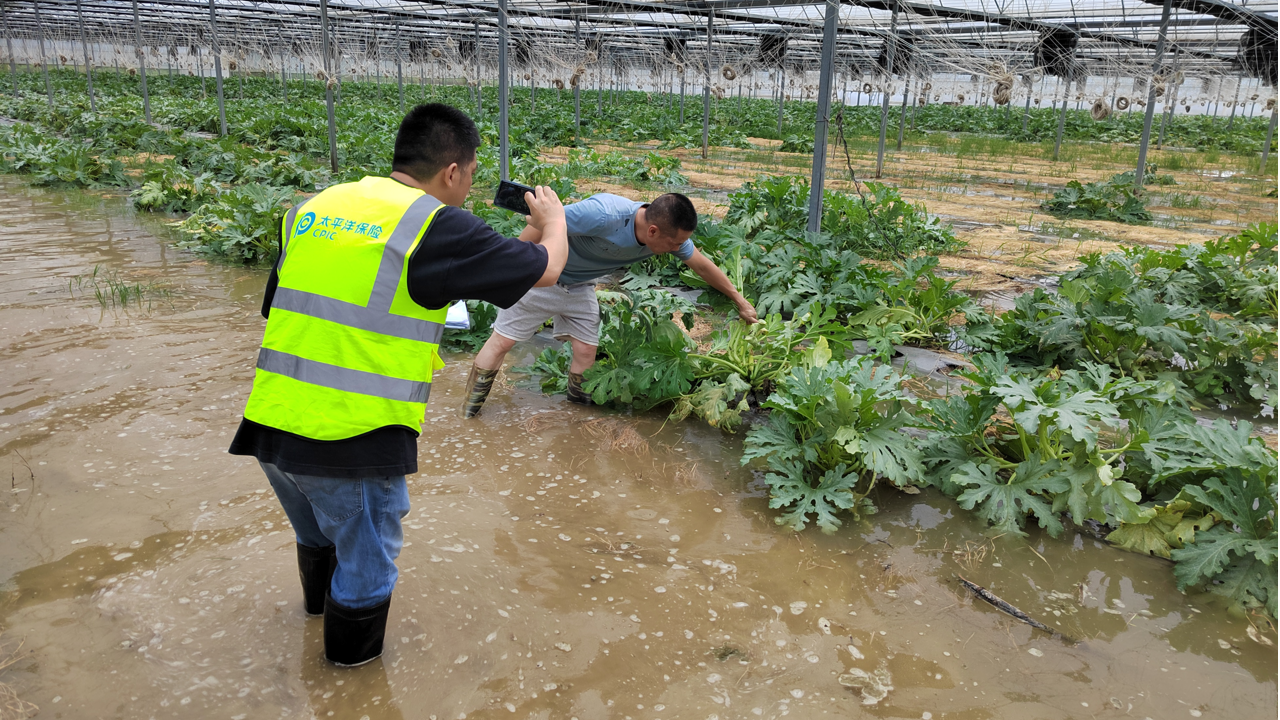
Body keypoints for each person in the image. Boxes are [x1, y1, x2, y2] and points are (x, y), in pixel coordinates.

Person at [227, 103, 568, 667]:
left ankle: (314, 625)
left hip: (272, 425)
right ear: (453, 171)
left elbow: (282, 306)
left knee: (318, 539)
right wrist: (553, 223)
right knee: (367, 569)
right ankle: (347, 682)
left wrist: (520, 239)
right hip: (353, 439)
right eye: (473, 171)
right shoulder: (435, 225)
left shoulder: (312, 208)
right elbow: (546, 269)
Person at [461, 192, 757, 416]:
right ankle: (469, 411)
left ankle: (575, 415)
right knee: (502, 343)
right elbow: (544, 222)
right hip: (542, 279)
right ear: (653, 231)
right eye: (675, 244)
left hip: (580, 287)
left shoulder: (670, 236)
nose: (678, 249)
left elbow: (702, 266)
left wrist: (740, 301)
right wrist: (517, 267)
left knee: (587, 349)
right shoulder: (603, 214)